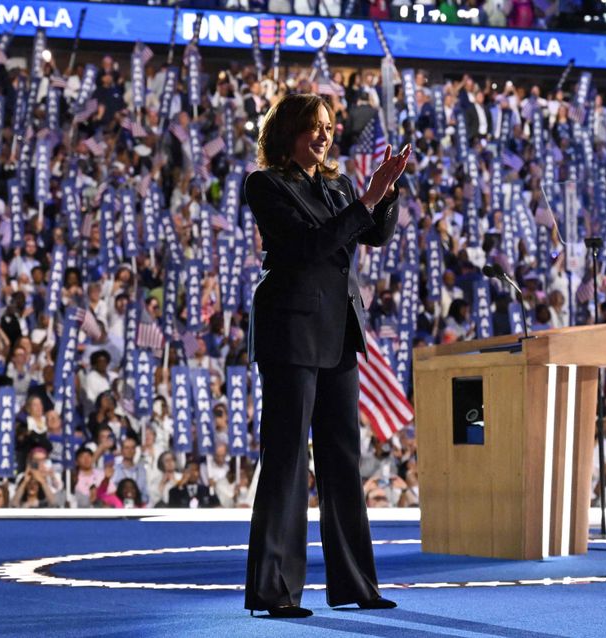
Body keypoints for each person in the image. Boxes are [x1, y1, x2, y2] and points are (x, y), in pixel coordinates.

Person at [243, 93, 409, 618]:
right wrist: (367, 201)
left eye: (329, 125)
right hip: (291, 332)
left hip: (338, 332)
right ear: (288, 130)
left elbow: (375, 233)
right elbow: (309, 246)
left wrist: (387, 191)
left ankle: (357, 585)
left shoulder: (337, 184)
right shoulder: (265, 184)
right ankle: (275, 590)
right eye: (313, 125)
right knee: (289, 460)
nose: (324, 133)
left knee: (342, 460)